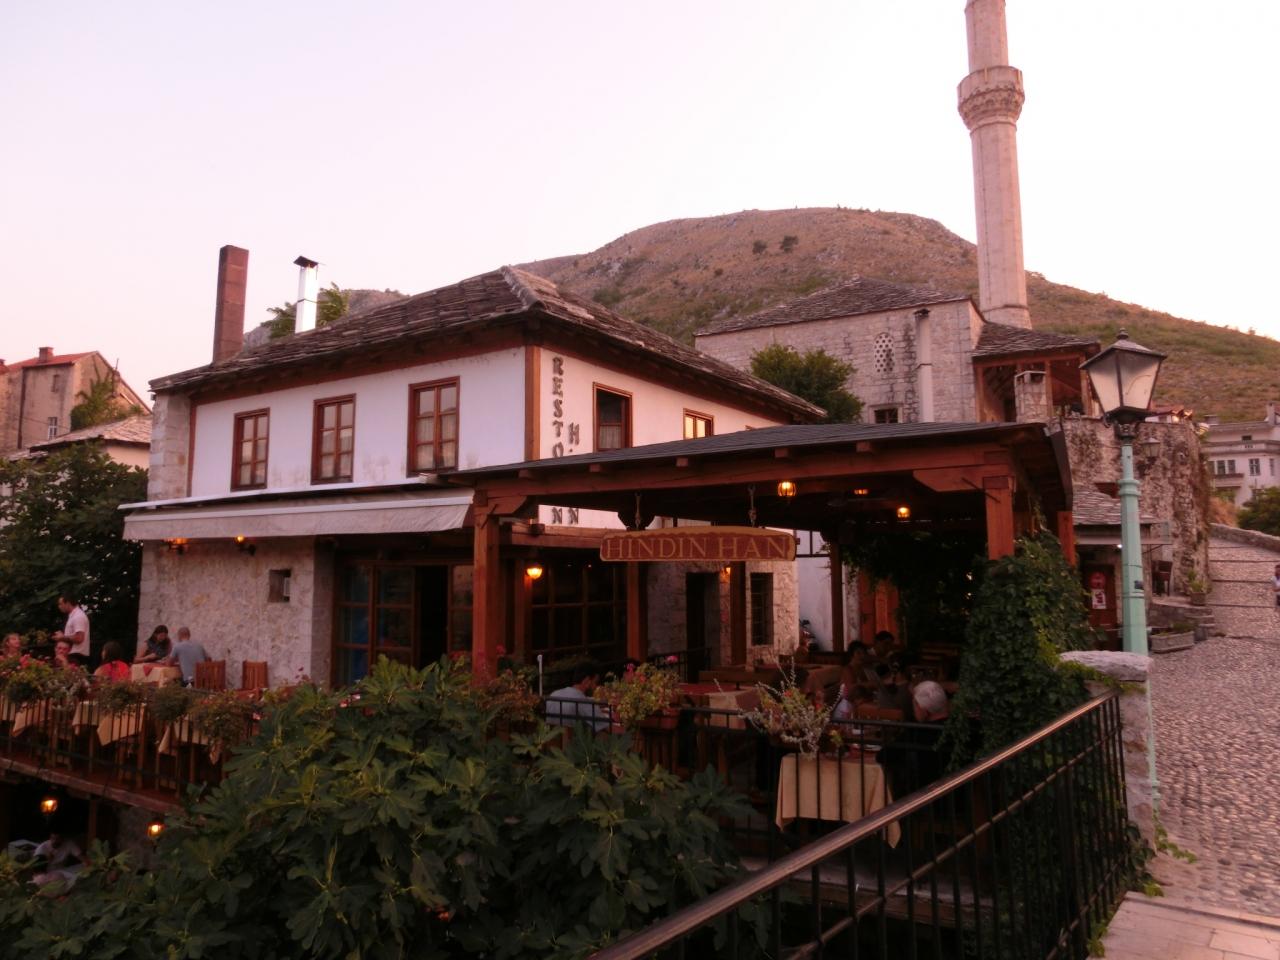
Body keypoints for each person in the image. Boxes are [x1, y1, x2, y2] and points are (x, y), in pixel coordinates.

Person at [545, 660, 610, 732]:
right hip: (573, 738)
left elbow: (583, 700)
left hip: (552, 737)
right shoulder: (583, 702)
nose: (596, 687)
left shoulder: (554, 694)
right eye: (595, 682)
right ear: (587, 681)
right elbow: (608, 728)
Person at [52, 594, 90, 659]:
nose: (59, 607)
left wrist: (62, 637)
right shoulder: (74, 615)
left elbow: (79, 638)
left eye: (60, 604)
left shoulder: (78, 616)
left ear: (68, 603)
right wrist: (63, 636)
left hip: (77, 656)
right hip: (74, 655)